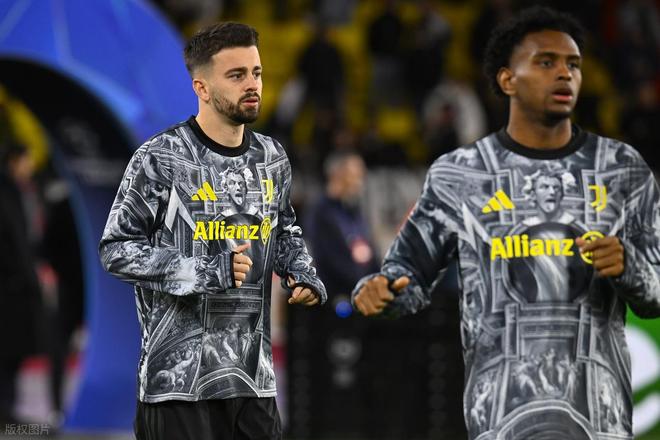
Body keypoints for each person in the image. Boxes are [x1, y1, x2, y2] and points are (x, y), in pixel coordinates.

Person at [352, 7, 660, 440]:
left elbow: (656, 293)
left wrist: (629, 267)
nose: (565, 74)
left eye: (573, 65)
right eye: (546, 62)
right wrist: (381, 293)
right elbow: (408, 275)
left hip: (600, 422)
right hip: (501, 420)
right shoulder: (460, 175)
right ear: (507, 80)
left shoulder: (622, 169)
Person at [99, 22, 326, 440]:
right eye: (236, 75)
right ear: (201, 88)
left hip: (253, 381)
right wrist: (205, 271)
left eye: (256, 72)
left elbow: (284, 230)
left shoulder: (273, 157)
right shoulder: (161, 158)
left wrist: (301, 271)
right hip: (177, 386)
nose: (252, 84)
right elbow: (116, 249)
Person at [0, 142, 42, 425]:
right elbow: (14, 242)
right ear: (14, 161)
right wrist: (26, 276)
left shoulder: (17, 192)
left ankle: (7, 406)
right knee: (8, 349)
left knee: (12, 350)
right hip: (9, 286)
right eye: (26, 160)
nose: (30, 167)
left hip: (14, 284)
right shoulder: (7, 194)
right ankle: (5, 408)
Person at [305, 151, 379, 297]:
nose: (360, 181)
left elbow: (369, 251)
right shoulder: (321, 212)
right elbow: (329, 261)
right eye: (355, 175)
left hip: (362, 293)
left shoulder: (353, 210)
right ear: (337, 175)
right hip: (337, 297)